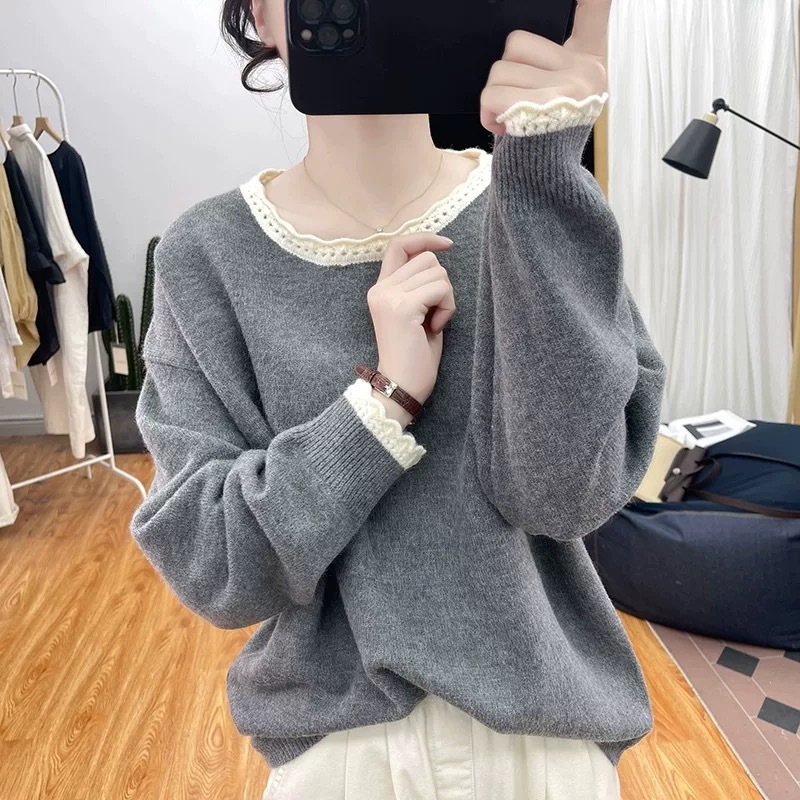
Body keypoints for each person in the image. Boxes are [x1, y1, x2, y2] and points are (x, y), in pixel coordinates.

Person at [129, 0, 667, 798]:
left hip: (546, 743)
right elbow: (215, 566)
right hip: (337, 756)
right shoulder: (206, 256)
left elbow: (565, 497)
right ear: (259, 18)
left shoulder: (534, 199)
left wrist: (547, 167)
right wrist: (380, 406)